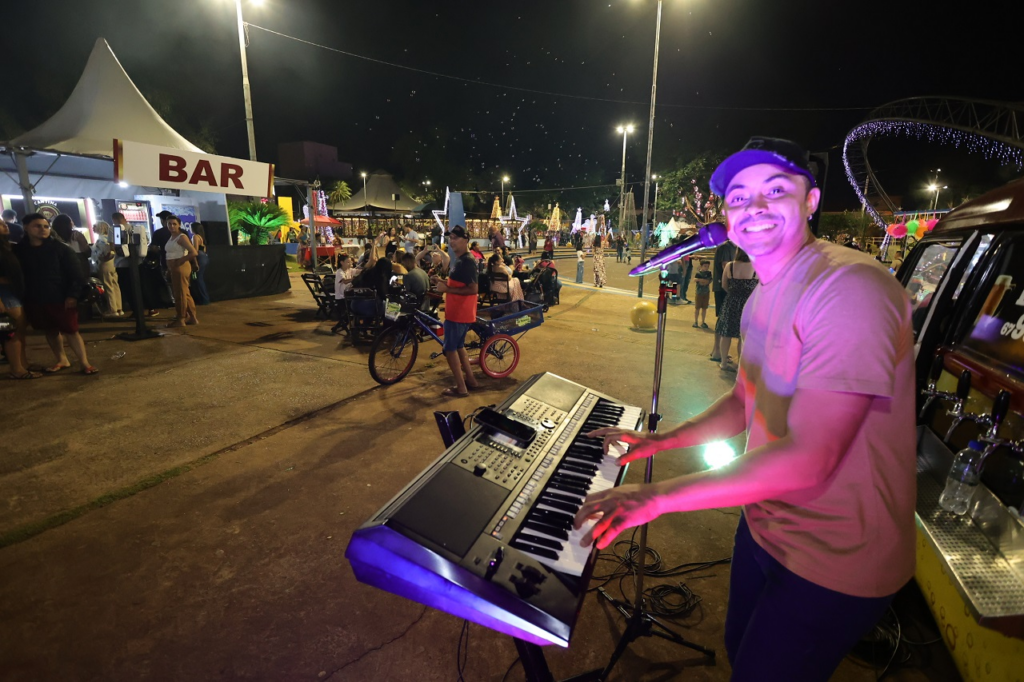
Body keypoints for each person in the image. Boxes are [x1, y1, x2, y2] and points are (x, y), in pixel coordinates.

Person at [575, 137, 915, 682]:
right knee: (740, 650)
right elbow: (743, 402)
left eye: (774, 190)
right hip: (764, 528)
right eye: (738, 197)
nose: (753, 207)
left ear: (811, 202)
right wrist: (660, 441)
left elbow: (810, 458)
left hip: (837, 557)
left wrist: (657, 497)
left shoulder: (849, 287)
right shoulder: (761, 296)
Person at [13, 213, 97, 375]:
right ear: (26, 228)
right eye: (37, 226)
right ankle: (61, 359)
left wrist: (72, 295)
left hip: (60, 297)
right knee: (49, 329)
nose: (43, 230)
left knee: (71, 330)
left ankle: (84, 363)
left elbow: (76, 274)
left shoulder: (60, 249)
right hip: (35, 298)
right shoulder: (20, 250)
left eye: (45, 226)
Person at [430, 225, 480, 398]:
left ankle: (461, 388)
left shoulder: (467, 262)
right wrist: (443, 281)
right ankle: (471, 381)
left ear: (465, 240)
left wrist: (448, 290)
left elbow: (473, 289)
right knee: (459, 347)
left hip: (459, 313)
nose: (452, 241)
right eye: (450, 238)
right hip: (459, 312)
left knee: (449, 349)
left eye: (456, 238)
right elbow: (458, 283)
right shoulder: (460, 260)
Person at [0, 217, 38, 379]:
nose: (5, 226)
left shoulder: (7, 247)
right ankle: (17, 368)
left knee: (20, 331)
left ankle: (23, 364)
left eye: (3, 223)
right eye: (0, 225)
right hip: (5, 294)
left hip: (14, 292)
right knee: (12, 333)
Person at [714, 248, 757, 373]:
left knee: (726, 334)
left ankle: (723, 363)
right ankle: (740, 365)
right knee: (742, 336)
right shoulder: (755, 266)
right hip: (748, 305)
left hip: (731, 302)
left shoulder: (730, 265)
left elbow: (724, 285)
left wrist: (733, 294)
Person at [111, 212, 158, 318]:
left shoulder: (116, 230)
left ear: (115, 220)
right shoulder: (137, 228)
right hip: (138, 262)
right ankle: (151, 308)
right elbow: (145, 243)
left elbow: (115, 246)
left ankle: (136, 310)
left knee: (128, 289)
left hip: (122, 264)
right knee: (142, 286)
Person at [163, 216, 199, 327]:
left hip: (180, 267)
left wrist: (180, 261)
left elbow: (193, 252)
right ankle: (192, 317)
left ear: (179, 225)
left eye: (174, 224)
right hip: (175, 267)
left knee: (180, 294)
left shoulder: (181, 237)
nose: (172, 226)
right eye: (169, 224)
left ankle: (181, 318)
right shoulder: (172, 237)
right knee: (185, 293)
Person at [710, 240, 737, 360]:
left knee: (723, 318)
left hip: (726, 287)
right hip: (723, 287)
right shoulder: (726, 247)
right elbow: (726, 266)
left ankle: (717, 350)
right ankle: (717, 350)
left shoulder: (732, 247)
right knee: (722, 318)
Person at [91, 221, 123, 316]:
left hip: (105, 264)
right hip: (113, 263)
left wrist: (102, 258)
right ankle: (119, 308)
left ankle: (112, 309)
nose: (93, 228)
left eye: (95, 226)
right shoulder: (109, 238)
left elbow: (105, 252)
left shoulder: (101, 239)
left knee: (108, 285)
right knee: (114, 284)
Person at [189, 222, 211, 305]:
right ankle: (204, 299)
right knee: (199, 278)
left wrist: (194, 261)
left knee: (198, 279)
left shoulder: (195, 237)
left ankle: (204, 299)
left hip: (199, 258)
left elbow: (195, 250)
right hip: (204, 257)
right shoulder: (202, 237)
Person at [692, 260, 712, 329]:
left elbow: (707, 281)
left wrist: (699, 280)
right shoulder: (698, 273)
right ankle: (696, 321)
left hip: (706, 292)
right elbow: (695, 280)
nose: (706, 268)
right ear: (701, 266)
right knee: (697, 308)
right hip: (699, 292)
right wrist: (701, 280)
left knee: (704, 308)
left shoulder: (709, 273)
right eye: (705, 266)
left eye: (707, 266)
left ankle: (703, 321)